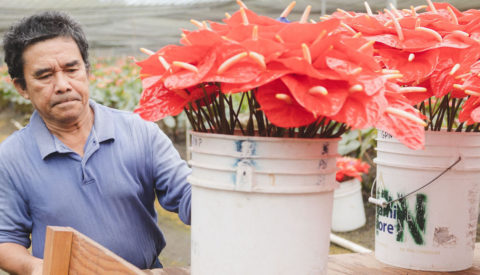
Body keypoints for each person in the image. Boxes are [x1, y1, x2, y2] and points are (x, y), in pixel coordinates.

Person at [0, 11, 192, 274]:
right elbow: (5, 240)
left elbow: (188, 196)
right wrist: (38, 269)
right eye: (44, 76)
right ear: (21, 87)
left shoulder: (140, 132)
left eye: (71, 69)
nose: (62, 85)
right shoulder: (10, 158)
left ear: (87, 70)